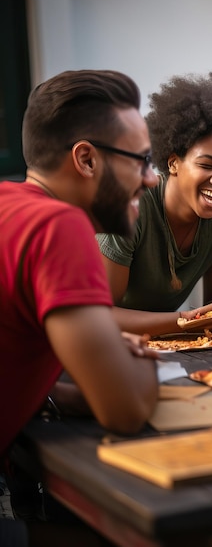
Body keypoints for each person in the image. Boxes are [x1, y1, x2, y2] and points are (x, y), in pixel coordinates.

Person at [0, 69, 160, 544]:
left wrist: (54, 394)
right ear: (86, 159)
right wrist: (137, 360)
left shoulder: (9, 204)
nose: (151, 180)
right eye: (143, 160)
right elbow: (126, 410)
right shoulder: (59, 226)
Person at [97, 72, 212, 336]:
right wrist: (184, 320)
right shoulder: (133, 206)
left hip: (175, 344)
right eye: (207, 165)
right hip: (110, 344)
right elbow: (101, 314)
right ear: (173, 163)